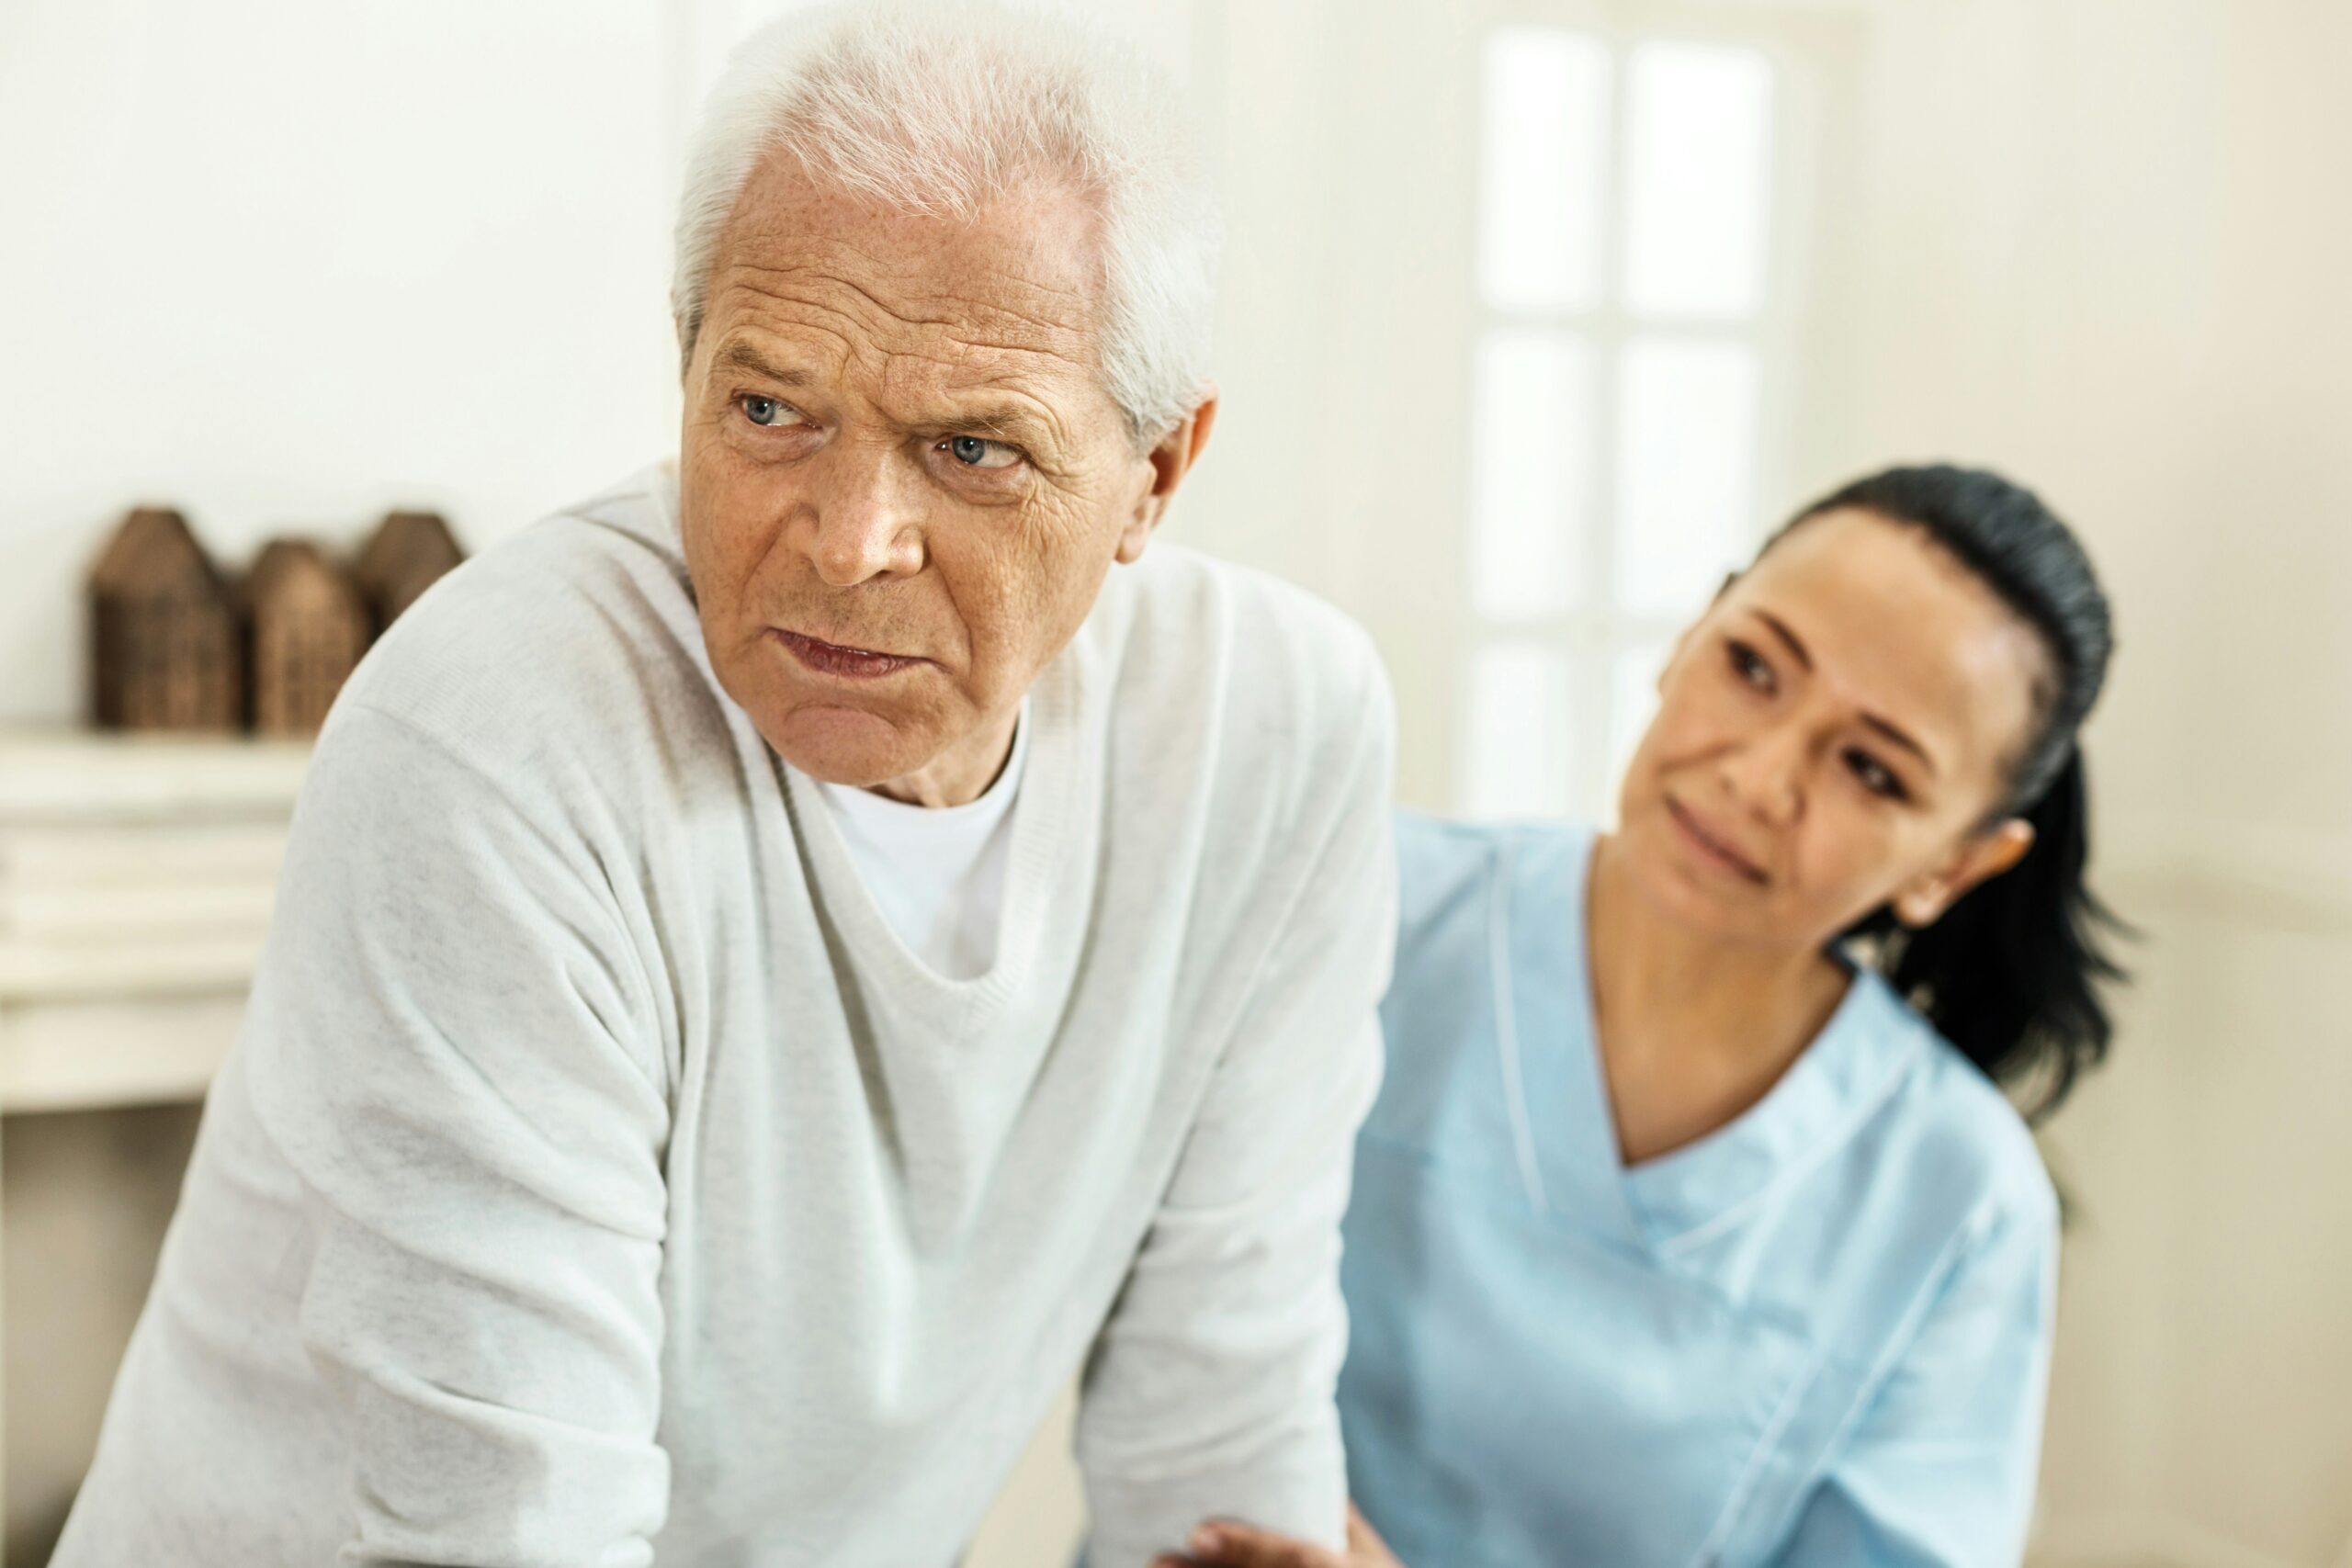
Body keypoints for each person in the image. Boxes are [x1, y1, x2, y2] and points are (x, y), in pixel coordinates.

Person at [56, 7, 1395, 1566]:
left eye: (973, 449)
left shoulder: (1274, 734)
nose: (850, 538)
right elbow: (512, 1540)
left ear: (1155, 473)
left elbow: (1223, 1437)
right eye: (770, 411)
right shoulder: (494, 738)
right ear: (687, 366)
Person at [1170, 465, 2126, 1568]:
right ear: (1689, 635)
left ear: (1954, 866)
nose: (1759, 778)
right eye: (1752, 667)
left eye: (1870, 770)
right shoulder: (1352, 898)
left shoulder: (1958, 1197)